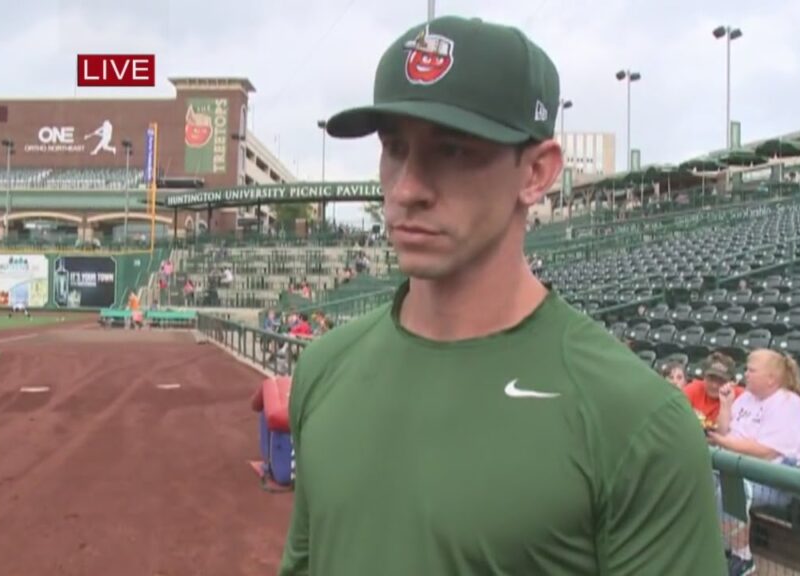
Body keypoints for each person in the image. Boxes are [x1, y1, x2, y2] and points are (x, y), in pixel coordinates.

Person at [279, 15, 726, 576]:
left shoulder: (637, 422)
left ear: (536, 172)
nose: (407, 188)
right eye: (395, 147)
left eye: (453, 151)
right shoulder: (324, 368)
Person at [707, 349, 800, 576]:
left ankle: (742, 558)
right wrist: (726, 404)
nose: (745, 374)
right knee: (703, 477)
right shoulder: (747, 398)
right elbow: (724, 430)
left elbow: (765, 453)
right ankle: (716, 548)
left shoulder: (787, 403)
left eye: (752, 370)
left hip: (780, 478)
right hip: (742, 466)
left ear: (771, 378)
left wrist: (720, 442)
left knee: (733, 487)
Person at [684, 352, 744, 429]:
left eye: (721, 381)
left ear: (732, 382)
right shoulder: (693, 388)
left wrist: (726, 404)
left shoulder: (740, 397)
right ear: (704, 376)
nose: (714, 385)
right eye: (711, 379)